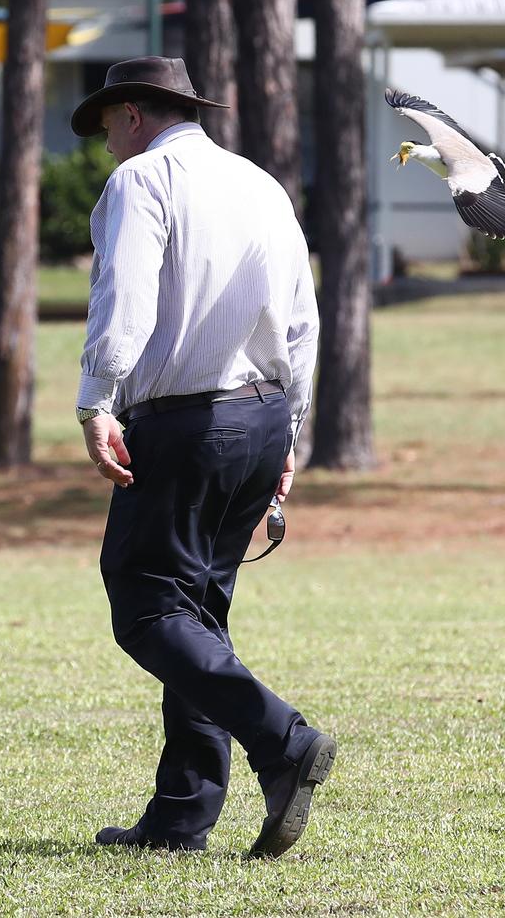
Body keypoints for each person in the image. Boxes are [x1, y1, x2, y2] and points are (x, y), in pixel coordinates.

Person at [71, 56, 336, 858]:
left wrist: (96, 399)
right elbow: (301, 315)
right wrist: (291, 430)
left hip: (184, 423)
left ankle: (284, 742)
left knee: (147, 608)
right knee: (197, 619)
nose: (106, 144)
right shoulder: (261, 184)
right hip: (260, 418)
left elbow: (126, 296)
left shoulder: (142, 181)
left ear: (133, 114)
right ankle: (181, 818)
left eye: (108, 126)